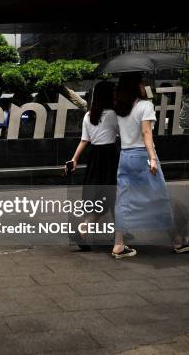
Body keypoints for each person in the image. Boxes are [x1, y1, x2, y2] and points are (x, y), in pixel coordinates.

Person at [112, 72, 189, 259]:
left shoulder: (120, 108)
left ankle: (119, 244)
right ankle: (178, 242)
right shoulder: (145, 105)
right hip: (142, 156)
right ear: (137, 86)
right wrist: (152, 158)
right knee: (159, 198)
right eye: (142, 82)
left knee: (123, 199)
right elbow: (146, 134)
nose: (144, 85)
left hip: (125, 156)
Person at [66, 81, 119, 250]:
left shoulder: (88, 115)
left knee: (102, 198)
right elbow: (122, 133)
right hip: (111, 156)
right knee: (115, 197)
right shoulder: (114, 114)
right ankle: (118, 238)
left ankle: (86, 228)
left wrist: (74, 159)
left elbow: (84, 140)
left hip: (95, 158)